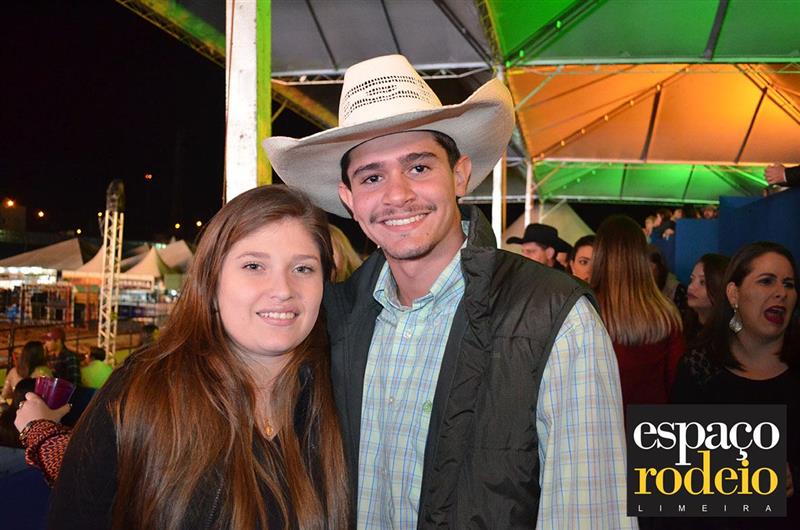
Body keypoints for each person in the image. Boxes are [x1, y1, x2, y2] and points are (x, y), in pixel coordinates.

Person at [264, 54, 633, 529]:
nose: (397, 195)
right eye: (372, 177)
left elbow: (591, 516)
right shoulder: (332, 319)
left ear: (459, 175)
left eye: (418, 167)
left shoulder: (555, 317)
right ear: (349, 199)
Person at [46, 186, 348, 529]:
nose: (282, 290)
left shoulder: (342, 400)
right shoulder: (142, 393)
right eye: (254, 265)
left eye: (303, 269)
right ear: (212, 282)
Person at [672, 241, 799, 527]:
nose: (781, 292)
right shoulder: (699, 368)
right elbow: (675, 471)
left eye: (789, 284)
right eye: (766, 281)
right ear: (733, 293)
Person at [591, 215, 684, 411]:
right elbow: (676, 384)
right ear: (642, 256)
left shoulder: (587, 312)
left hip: (600, 424)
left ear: (599, 255)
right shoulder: (666, 315)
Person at [683, 253, 730, 347]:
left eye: (702, 282)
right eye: (692, 280)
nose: (691, 287)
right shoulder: (685, 324)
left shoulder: (729, 336)